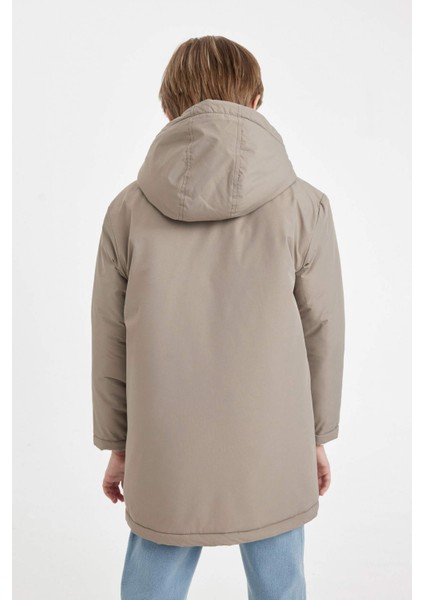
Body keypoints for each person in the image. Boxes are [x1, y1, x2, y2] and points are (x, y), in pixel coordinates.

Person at [91, 35, 345, 600]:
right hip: (274, 443)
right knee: (280, 585)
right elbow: (322, 331)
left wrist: (119, 444)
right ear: (255, 102)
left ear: (168, 110)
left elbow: (109, 338)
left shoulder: (127, 211)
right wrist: (315, 436)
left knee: (151, 584)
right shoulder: (304, 206)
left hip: (165, 447)